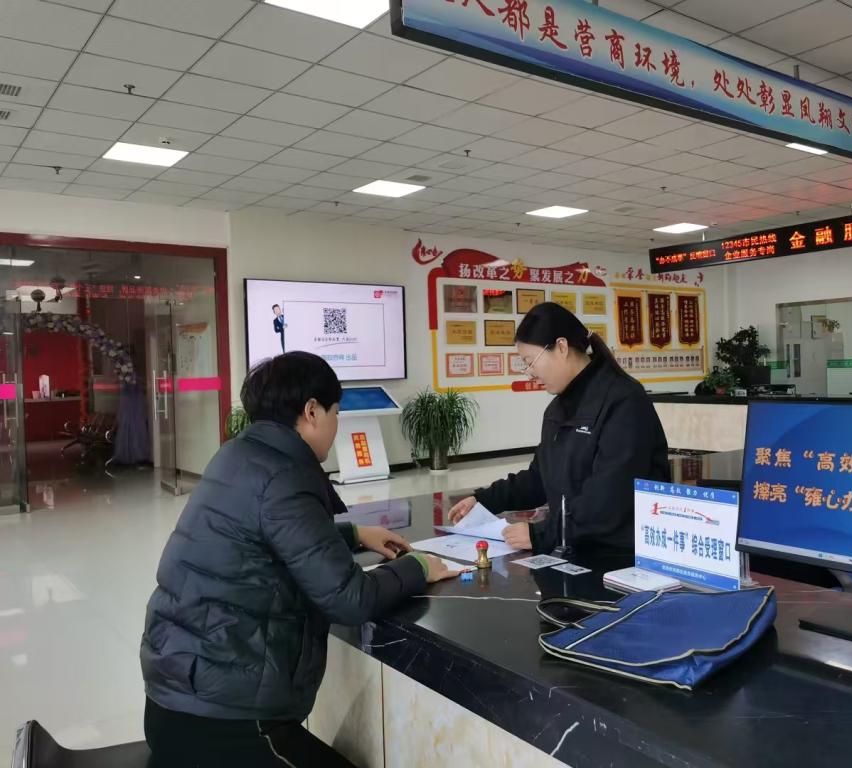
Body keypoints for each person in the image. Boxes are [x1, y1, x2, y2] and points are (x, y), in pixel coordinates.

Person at [140, 352, 458, 767]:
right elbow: (350, 599)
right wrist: (417, 567)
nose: (336, 425)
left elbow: (261, 540)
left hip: (176, 697)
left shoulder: (240, 454)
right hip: (226, 723)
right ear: (311, 412)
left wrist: (353, 534)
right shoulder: (287, 476)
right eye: (335, 413)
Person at [450, 302, 669, 558]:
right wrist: (484, 500)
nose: (529, 373)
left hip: (624, 555)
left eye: (530, 361)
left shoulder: (624, 400)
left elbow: (611, 496)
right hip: (575, 547)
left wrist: (544, 533)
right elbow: (540, 478)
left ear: (562, 347)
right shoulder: (557, 409)